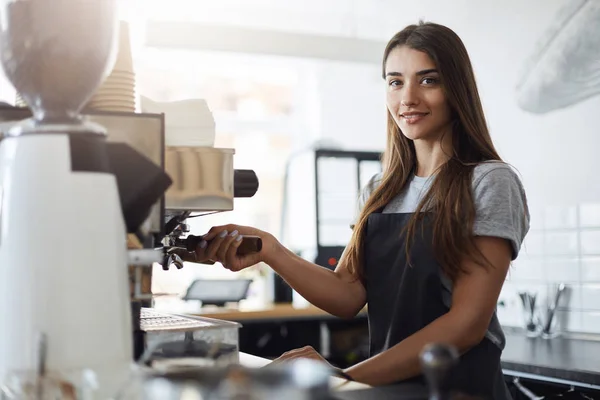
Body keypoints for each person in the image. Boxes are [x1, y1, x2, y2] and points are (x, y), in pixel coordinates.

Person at [194, 21, 529, 399]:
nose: (408, 98)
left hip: (461, 391)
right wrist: (270, 249)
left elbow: (466, 325)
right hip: (387, 391)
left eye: (428, 80)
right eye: (395, 81)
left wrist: (343, 377)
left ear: (457, 89)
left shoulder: (489, 182)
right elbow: (348, 294)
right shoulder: (379, 189)